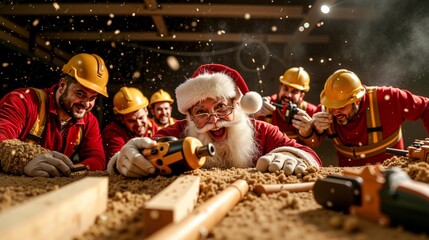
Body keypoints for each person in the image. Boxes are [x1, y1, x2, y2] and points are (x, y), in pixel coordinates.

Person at [107, 64, 322, 178]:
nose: (214, 120)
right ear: (189, 116)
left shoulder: (263, 131)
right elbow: (143, 152)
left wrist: (291, 156)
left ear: (238, 105)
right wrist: (123, 160)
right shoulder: (179, 131)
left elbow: (311, 156)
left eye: (221, 107)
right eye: (201, 112)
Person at [0, 53, 109, 177]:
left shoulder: (89, 121)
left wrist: (68, 170)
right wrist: (25, 159)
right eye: (80, 94)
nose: (86, 104)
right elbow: (1, 141)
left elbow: (97, 159)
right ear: (62, 85)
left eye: (93, 98)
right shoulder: (22, 102)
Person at [300, 69, 429, 167]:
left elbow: (426, 108)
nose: (334, 112)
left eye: (341, 107)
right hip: (350, 183)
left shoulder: (388, 99)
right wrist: (309, 132)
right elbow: (314, 143)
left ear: (357, 100)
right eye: (331, 106)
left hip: (392, 177)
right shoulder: (325, 111)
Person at [254, 67, 318, 141]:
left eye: (294, 92)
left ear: (301, 96)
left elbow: (316, 142)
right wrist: (255, 113)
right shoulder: (265, 106)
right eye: (285, 89)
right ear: (280, 88)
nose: (288, 95)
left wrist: (308, 133)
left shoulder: (310, 112)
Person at [102, 87, 158, 161]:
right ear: (121, 119)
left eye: (141, 117)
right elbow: (120, 161)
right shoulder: (112, 133)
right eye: (132, 121)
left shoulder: (152, 126)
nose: (138, 124)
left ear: (146, 110)